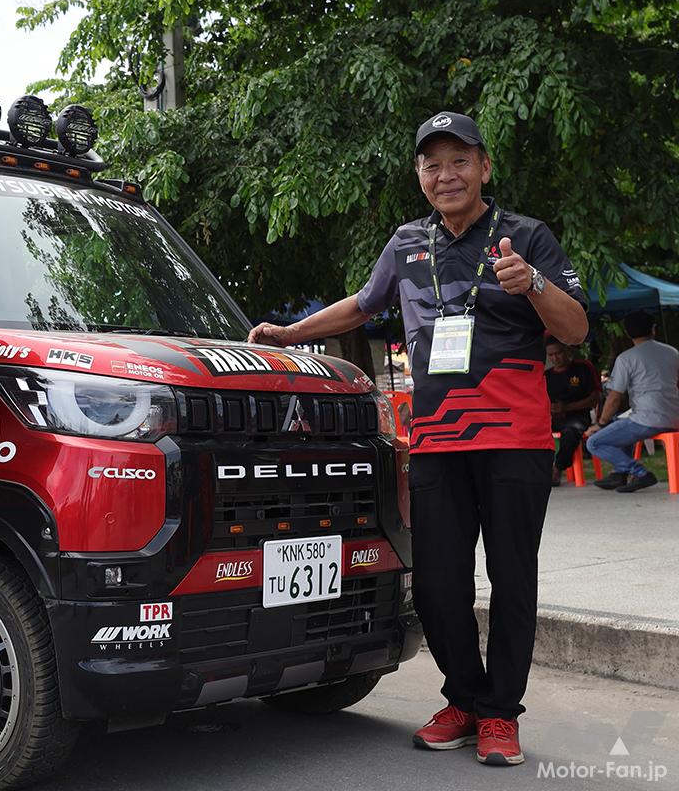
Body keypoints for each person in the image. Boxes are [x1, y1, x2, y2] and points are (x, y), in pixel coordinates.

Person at [249, 112, 588, 766]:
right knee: (435, 582)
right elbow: (361, 304)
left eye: (459, 160)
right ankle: (464, 699)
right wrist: (291, 334)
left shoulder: (526, 236)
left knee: (512, 578)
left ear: (484, 166)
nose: (446, 174)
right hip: (435, 442)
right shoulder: (407, 243)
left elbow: (574, 329)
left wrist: (534, 283)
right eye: (433, 164)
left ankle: (499, 713)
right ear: (419, 175)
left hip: (514, 439)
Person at [585, 311, 679, 492]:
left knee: (594, 443)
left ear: (627, 333)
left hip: (647, 420)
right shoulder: (673, 353)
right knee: (620, 421)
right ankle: (619, 473)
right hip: (674, 417)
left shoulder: (627, 358)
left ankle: (640, 472)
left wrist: (600, 423)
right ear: (653, 329)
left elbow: (614, 397)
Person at [544, 338, 601, 486]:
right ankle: (539, 470)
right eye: (551, 355)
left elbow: (595, 397)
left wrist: (567, 407)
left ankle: (557, 468)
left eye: (558, 353)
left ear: (567, 351)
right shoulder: (546, 376)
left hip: (578, 416)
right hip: (551, 418)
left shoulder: (583, 368)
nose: (555, 358)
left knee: (571, 432)